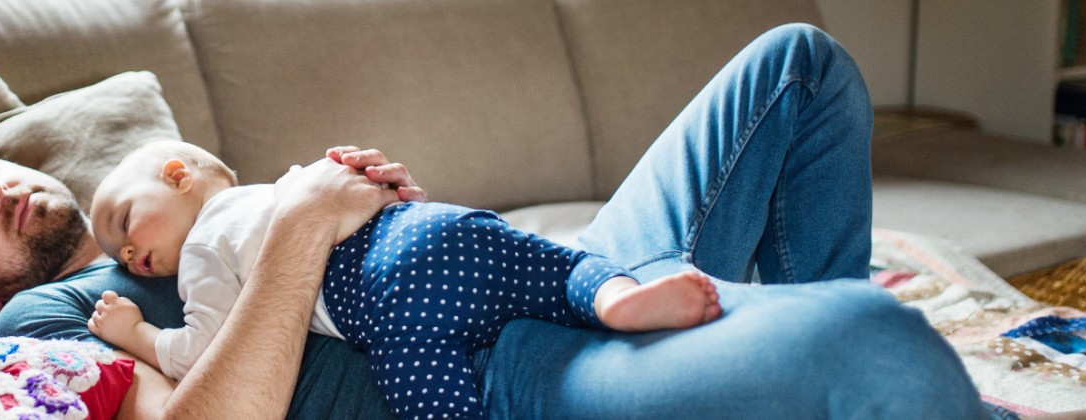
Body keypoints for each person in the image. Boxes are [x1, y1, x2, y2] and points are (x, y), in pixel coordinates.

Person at [0, 24, 989, 418]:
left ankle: (751, 367)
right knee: (870, 342)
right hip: (495, 384)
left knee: (796, 68)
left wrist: (374, 208)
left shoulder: (177, 196)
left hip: (535, 277)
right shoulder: (46, 334)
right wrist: (302, 227)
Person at [82, 140, 721, 418]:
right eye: (116, 250)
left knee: (417, 375)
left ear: (177, 176)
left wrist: (135, 333)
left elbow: (201, 352)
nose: (128, 249)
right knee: (551, 266)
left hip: (397, 293)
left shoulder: (204, 248)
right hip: (450, 230)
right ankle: (617, 298)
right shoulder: (293, 181)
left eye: (125, 221)